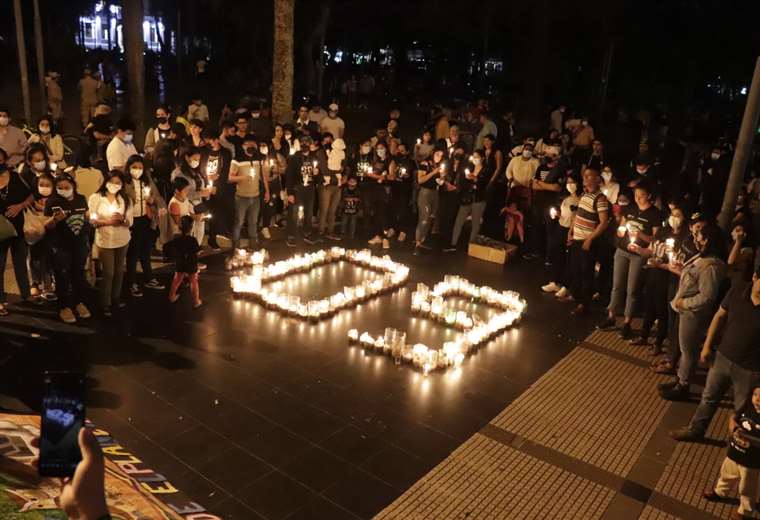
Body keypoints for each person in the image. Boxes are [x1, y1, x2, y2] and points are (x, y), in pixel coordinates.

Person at [671, 264, 760, 442]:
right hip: (723, 356)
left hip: (750, 368)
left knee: (742, 408)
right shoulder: (738, 291)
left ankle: (740, 442)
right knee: (708, 397)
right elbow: (719, 316)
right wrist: (707, 346)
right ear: (755, 277)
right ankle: (696, 429)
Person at [660, 222, 727, 401]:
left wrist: (684, 303)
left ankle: (683, 385)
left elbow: (706, 297)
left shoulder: (712, 266)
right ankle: (680, 379)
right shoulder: (702, 258)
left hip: (693, 313)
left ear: (708, 240)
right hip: (686, 310)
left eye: (699, 235)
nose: (696, 238)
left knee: (688, 350)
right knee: (685, 348)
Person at [599, 184, 662, 339]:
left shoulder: (655, 214)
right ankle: (612, 316)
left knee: (632, 288)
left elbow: (654, 239)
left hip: (639, 254)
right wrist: (621, 232)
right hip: (622, 251)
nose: (638, 198)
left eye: (641, 195)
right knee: (617, 285)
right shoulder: (630, 209)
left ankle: (627, 322)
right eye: (636, 195)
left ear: (649, 196)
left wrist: (640, 234)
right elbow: (621, 228)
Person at [701, 385, 760, 519]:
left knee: (747, 487)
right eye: (756, 395)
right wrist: (734, 430)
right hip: (734, 453)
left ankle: (745, 510)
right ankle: (721, 492)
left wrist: (750, 439)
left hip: (751, 461)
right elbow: (733, 418)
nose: (758, 399)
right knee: (726, 474)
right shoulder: (747, 407)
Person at [44, 174, 91, 323]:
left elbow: (87, 217)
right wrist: (55, 219)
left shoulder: (81, 199)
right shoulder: (52, 201)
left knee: (79, 275)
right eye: (60, 188)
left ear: (73, 187)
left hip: (80, 244)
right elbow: (46, 225)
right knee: (62, 276)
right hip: (61, 246)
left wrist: (91, 221)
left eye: (67, 187)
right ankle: (64, 307)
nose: (63, 190)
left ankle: (79, 303)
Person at [89, 171, 133, 316]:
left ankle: (116, 297)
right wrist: (108, 222)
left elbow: (129, 221)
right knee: (109, 272)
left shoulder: (125, 199)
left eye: (118, 183)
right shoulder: (96, 198)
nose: (114, 185)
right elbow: (92, 220)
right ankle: (105, 302)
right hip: (105, 240)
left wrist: (122, 219)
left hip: (122, 239)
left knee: (119, 270)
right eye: (112, 181)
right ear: (106, 182)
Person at [567, 168, 610, 315]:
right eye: (584, 175)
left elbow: (604, 222)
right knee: (576, 270)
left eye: (589, 175)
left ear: (597, 179)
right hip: (577, 238)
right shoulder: (585, 194)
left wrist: (590, 239)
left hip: (587, 241)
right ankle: (577, 296)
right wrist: (571, 230)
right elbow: (579, 213)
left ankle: (584, 304)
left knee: (586, 272)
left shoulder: (600, 198)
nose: (585, 178)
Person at [124, 155, 165, 298]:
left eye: (140, 168)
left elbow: (155, 198)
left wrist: (153, 201)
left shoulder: (146, 181)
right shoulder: (125, 182)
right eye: (134, 167)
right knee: (133, 252)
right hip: (132, 220)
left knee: (146, 249)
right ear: (128, 168)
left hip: (146, 218)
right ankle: (131, 282)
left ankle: (149, 277)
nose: (137, 170)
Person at [0, 165, 33, 315]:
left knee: (20, 263)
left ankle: (26, 295)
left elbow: (31, 195)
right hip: (0, 233)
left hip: (19, 229)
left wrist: (20, 206)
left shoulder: (16, 177)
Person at [228, 134, 269, 249]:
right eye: (248, 144)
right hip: (241, 197)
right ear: (243, 146)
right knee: (239, 223)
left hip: (255, 196)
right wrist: (243, 178)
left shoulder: (258, 159)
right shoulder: (237, 160)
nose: (251, 146)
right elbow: (230, 178)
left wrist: (267, 191)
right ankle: (235, 248)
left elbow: (263, 176)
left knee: (253, 222)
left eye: (253, 144)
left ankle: (253, 246)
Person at [542, 177, 580, 298]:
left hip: (570, 230)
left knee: (568, 258)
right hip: (561, 228)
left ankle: (566, 285)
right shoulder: (567, 198)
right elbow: (564, 215)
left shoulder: (580, 200)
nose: (570, 185)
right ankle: (554, 282)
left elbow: (576, 217)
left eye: (572, 182)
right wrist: (557, 215)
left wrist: (571, 231)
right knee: (557, 255)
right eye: (568, 182)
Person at [171, 146, 211, 245]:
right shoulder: (179, 173)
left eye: (198, 159)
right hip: (186, 206)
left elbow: (200, 187)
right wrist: (200, 193)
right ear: (186, 157)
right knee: (188, 232)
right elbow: (181, 193)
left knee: (199, 232)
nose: (196, 162)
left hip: (198, 206)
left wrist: (207, 192)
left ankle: (196, 250)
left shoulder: (196, 172)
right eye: (194, 159)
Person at [450, 149, 489, 249]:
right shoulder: (469, 167)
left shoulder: (486, 169)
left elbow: (484, 183)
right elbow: (463, 181)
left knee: (475, 223)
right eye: (474, 156)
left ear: (482, 158)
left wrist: (475, 179)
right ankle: (453, 243)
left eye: (477, 157)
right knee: (459, 220)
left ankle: (471, 246)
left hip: (478, 199)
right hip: (467, 197)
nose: (475, 159)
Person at [285, 135, 320, 246]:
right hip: (297, 187)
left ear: (311, 145)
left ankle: (307, 232)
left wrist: (317, 174)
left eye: (307, 143)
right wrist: (290, 193)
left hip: (310, 188)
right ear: (300, 144)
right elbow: (289, 176)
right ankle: (291, 235)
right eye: (303, 143)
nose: (305, 145)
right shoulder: (294, 158)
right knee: (294, 212)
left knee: (309, 212)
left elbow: (319, 177)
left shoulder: (314, 157)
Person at [202, 129, 233, 248]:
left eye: (211, 141)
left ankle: (217, 236)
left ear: (216, 140)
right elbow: (202, 167)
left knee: (218, 213)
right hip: (207, 186)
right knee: (210, 213)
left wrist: (217, 181)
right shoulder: (206, 152)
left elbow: (226, 170)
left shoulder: (225, 153)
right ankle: (211, 237)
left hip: (220, 188)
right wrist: (206, 177)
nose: (210, 144)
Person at [28, 173, 56, 302]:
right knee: (33, 257)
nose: (44, 187)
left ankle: (47, 286)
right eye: (41, 185)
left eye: (47, 185)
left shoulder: (56, 199)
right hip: (34, 233)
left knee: (47, 258)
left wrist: (45, 208)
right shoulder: (31, 200)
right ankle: (34, 283)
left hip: (50, 233)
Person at [167, 215, 202, 308]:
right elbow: (197, 252)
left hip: (180, 262)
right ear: (191, 227)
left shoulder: (176, 238)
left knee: (177, 279)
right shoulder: (193, 240)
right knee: (193, 281)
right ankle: (196, 301)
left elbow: (174, 250)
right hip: (191, 263)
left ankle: (171, 296)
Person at [415, 148, 445, 254]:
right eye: (437, 154)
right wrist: (433, 173)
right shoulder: (425, 163)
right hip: (425, 193)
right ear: (432, 153)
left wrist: (441, 180)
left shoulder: (438, 166)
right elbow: (420, 180)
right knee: (424, 218)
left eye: (441, 155)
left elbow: (440, 178)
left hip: (435, 193)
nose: (439, 157)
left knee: (431, 218)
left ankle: (423, 241)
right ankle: (417, 243)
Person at [365, 141, 393, 249]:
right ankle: (378, 236)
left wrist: (378, 177)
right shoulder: (375, 161)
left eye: (382, 148)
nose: (379, 150)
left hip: (384, 191)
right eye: (377, 149)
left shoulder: (390, 161)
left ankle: (385, 238)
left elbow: (392, 176)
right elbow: (372, 173)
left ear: (386, 149)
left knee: (383, 214)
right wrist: (369, 174)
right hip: (374, 189)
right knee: (376, 214)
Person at [389, 141, 415, 243]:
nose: (399, 152)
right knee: (393, 208)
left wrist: (407, 176)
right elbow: (391, 172)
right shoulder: (394, 160)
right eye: (398, 150)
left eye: (402, 151)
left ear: (407, 152)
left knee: (403, 210)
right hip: (395, 188)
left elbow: (411, 175)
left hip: (405, 189)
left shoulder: (410, 161)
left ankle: (403, 231)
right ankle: (392, 228)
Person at [319, 137, 345, 240]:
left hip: (337, 185)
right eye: (326, 140)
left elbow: (343, 166)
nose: (328, 142)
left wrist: (342, 172)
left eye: (330, 140)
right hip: (326, 185)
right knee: (324, 209)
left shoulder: (339, 153)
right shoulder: (321, 153)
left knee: (333, 210)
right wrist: (336, 170)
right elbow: (325, 168)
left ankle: (330, 231)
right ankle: (321, 231)